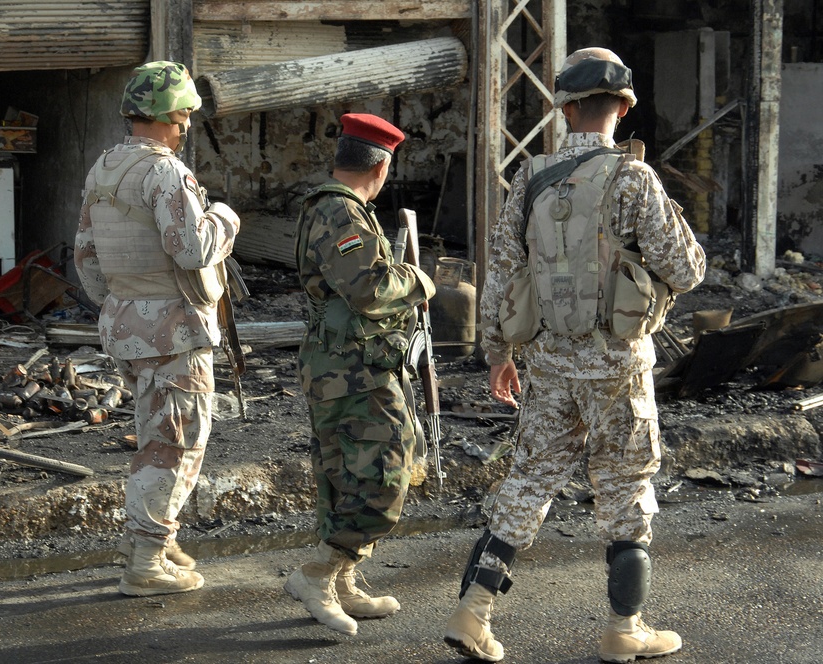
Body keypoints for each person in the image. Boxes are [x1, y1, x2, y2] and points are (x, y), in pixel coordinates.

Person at [443, 47, 706, 663]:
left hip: (548, 360)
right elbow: (688, 270)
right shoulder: (635, 178)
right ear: (622, 106)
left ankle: (471, 612)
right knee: (626, 485)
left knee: (529, 479)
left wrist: (497, 354)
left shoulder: (531, 179)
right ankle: (623, 629)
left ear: (563, 109)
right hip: (617, 360)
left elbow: (504, 272)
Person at [73, 61, 241, 596]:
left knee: (157, 437)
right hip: (174, 331)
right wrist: (225, 217)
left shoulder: (103, 168)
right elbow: (193, 249)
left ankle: (156, 543)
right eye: (186, 114)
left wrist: (125, 306)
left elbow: (86, 258)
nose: (188, 123)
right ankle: (145, 562)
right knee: (175, 444)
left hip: (129, 325)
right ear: (176, 115)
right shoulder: (165, 171)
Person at [285, 113, 437, 636]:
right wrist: (418, 282)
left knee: (344, 475)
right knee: (385, 474)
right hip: (353, 370)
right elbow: (368, 288)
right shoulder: (342, 213)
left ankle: (342, 580)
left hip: (346, 365)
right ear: (382, 166)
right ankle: (317, 573)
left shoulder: (331, 206)